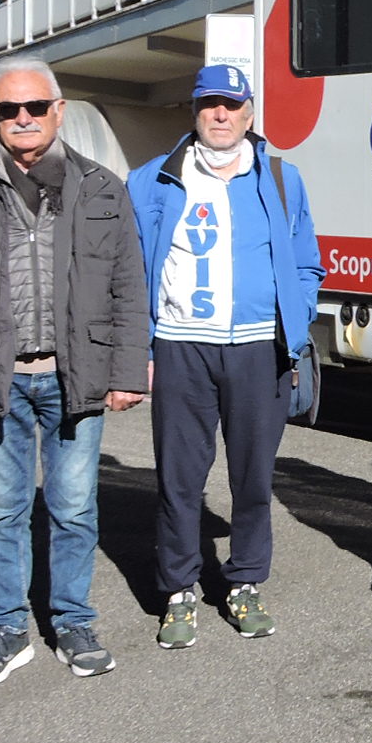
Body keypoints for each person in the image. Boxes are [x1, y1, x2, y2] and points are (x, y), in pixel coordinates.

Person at [0, 56, 150, 686]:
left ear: (59, 110)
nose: (23, 119)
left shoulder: (101, 186)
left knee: (74, 508)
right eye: (8, 110)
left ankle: (73, 620)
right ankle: (7, 627)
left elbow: (130, 285)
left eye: (35, 107)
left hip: (77, 377)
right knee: (2, 509)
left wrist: (129, 368)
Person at [127, 63, 324, 649]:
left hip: (259, 348)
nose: (221, 114)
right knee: (180, 480)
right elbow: (131, 270)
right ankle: (179, 590)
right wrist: (143, 345)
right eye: (210, 103)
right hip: (183, 346)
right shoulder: (151, 179)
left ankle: (243, 582)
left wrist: (298, 318)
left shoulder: (284, 178)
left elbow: (308, 261)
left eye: (232, 105)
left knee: (253, 479)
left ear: (249, 114)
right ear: (194, 110)